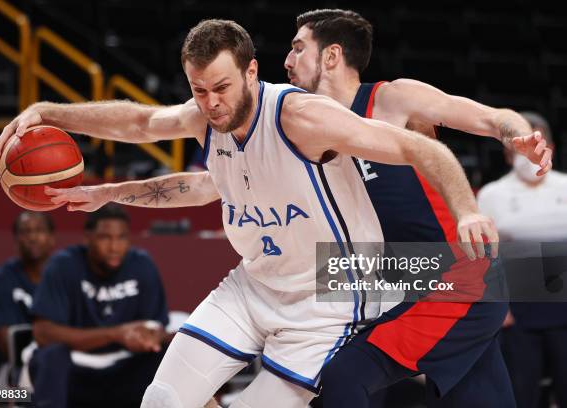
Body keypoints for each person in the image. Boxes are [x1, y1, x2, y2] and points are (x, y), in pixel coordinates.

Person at [45, 11, 551, 408]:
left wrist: (517, 137)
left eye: (297, 47)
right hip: (374, 273)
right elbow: (212, 182)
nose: (286, 58)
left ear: (330, 56)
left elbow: (485, 119)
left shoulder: (387, 102)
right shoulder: (282, 123)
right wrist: (111, 188)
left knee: (350, 377)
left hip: (441, 270)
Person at [28, 204, 170, 407]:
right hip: (77, 366)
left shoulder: (142, 264)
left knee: (165, 353)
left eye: (121, 238)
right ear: (88, 238)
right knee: (51, 356)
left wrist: (152, 336)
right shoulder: (63, 265)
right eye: (105, 238)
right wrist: (115, 334)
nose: (114, 247)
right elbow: (42, 332)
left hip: (124, 366)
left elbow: (157, 327)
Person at [478, 111, 567, 407]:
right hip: (517, 311)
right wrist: (497, 306)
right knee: (522, 389)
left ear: (550, 148)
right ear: (508, 152)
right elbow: (484, 254)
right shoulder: (492, 194)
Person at [0, 211, 55, 376]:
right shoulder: (1, 279)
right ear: (16, 240)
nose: (33, 237)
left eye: (39, 230)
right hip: (14, 369)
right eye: (25, 231)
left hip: (62, 363)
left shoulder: (64, 276)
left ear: (52, 238)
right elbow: (7, 345)